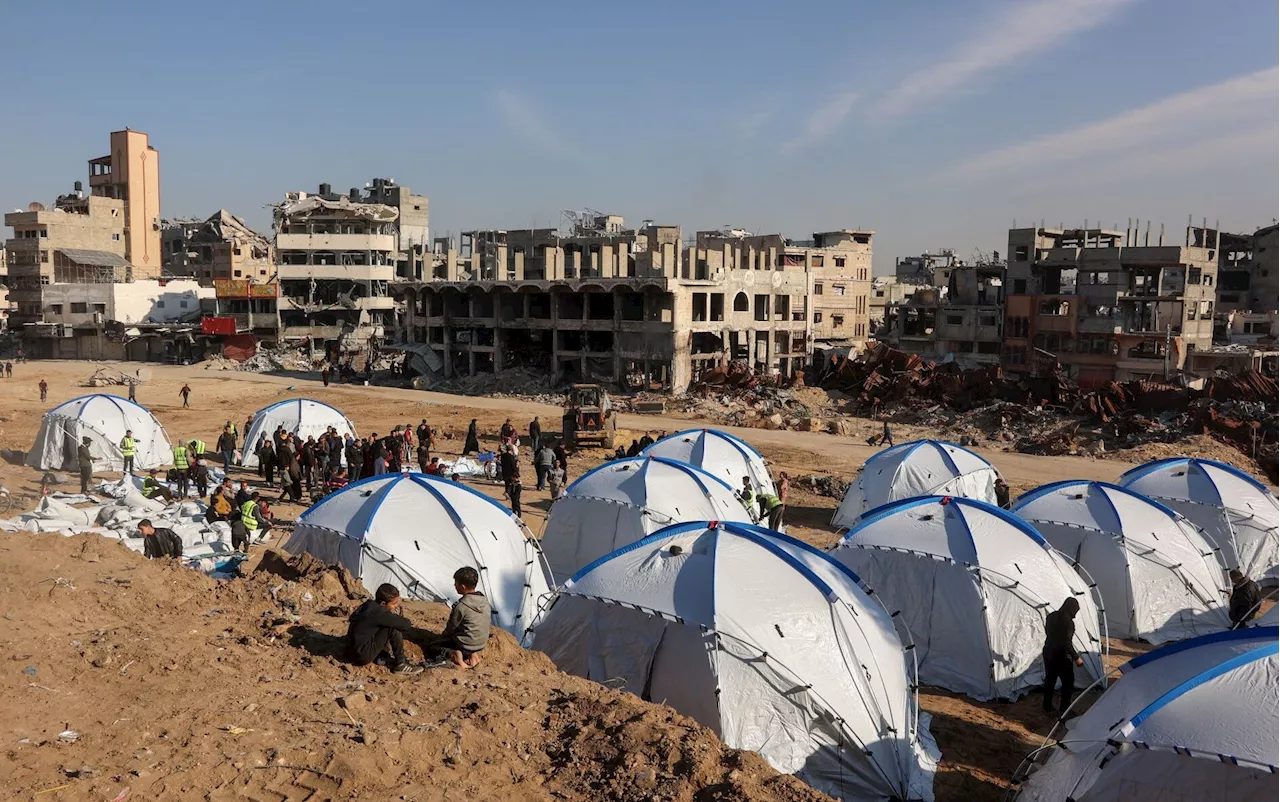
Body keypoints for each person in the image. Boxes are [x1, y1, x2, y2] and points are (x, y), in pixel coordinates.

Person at [346, 583, 422, 674]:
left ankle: (381, 656)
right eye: (394, 604)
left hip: (350, 650)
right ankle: (401, 664)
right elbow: (406, 624)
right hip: (362, 656)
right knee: (392, 628)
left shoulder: (368, 605)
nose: (396, 606)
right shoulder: (380, 613)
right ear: (383, 603)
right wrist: (394, 617)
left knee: (381, 626)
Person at [429, 567, 491, 670]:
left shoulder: (461, 606)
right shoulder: (485, 602)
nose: (454, 585)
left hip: (464, 645)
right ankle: (472, 655)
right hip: (481, 644)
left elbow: (451, 628)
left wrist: (441, 639)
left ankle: (455, 655)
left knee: (433, 647)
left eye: (455, 583)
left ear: (462, 586)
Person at [1041, 598, 1084, 716]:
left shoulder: (1051, 616)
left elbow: (1048, 633)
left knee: (1050, 680)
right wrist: (1076, 658)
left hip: (1048, 651)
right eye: (1075, 611)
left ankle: (1047, 705)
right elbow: (1066, 643)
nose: (1075, 615)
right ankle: (1064, 708)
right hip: (1061, 655)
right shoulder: (1068, 622)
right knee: (1068, 682)